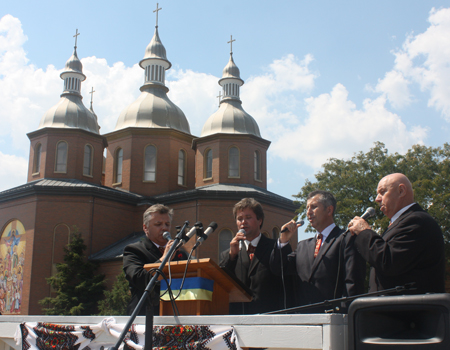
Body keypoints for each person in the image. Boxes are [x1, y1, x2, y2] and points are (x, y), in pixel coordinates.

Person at [348, 173, 445, 294]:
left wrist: (364, 232)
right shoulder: (400, 223)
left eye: (382, 192)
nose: (377, 199)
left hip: (410, 310)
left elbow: (388, 262)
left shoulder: (417, 221)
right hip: (391, 308)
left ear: (401, 191)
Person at [270, 190, 365, 312]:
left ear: (329, 210)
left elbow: (353, 282)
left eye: (314, 207)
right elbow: (278, 269)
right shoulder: (303, 246)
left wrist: (345, 313)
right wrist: (283, 241)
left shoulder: (346, 239)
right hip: (304, 318)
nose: (308, 212)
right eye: (307, 208)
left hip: (336, 319)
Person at [219, 198, 290, 314]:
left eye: (248, 217)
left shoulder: (276, 247)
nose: (243, 222)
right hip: (238, 317)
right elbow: (221, 283)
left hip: (269, 316)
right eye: (239, 219)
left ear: (260, 220)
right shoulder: (229, 253)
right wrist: (232, 256)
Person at [123, 204, 187, 316]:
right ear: (145, 228)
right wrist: (164, 258)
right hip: (144, 316)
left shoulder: (179, 254)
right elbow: (140, 279)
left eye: (167, 224)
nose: (164, 228)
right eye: (158, 224)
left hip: (176, 315)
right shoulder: (134, 250)